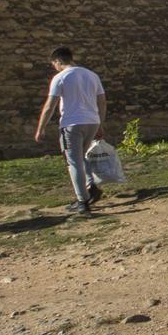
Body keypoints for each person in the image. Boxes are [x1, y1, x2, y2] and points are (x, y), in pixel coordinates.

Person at [33, 47, 105, 213]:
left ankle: (82, 201)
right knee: (82, 156)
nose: (55, 67)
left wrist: (40, 128)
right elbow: (102, 101)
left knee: (73, 162)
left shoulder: (60, 77)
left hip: (72, 124)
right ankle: (90, 186)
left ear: (58, 61)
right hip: (92, 121)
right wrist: (100, 123)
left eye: (54, 64)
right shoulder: (92, 75)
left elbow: (50, 105)